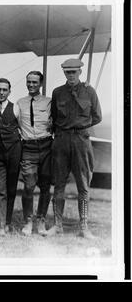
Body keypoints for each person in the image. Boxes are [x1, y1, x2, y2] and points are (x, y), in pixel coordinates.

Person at [47, 58, 102, 239]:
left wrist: (81, 125)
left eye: (74, 72)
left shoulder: (89, 91)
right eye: (67, 72)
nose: (71, 75)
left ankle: (84, 227)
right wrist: (65, 128)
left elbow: (97, 116)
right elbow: (54, 117)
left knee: (83, 185)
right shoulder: (58, 92)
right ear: (64, 73)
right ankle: (58, 226)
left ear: (80, 72)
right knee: (59, 184)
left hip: (81, 140)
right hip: (61, 140)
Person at [15, 71, 52, 236]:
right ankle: (28, 221)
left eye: (35, 82)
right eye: (29, 82)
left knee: (45, 187)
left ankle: (41, 220)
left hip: (46, 147)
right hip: (28, 148)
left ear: (41, 84)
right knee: (28, 186)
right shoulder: (20, 103)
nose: (31, 85)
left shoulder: (50, 102)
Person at [0, 78, 22, 236]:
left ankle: (8, 222)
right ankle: (0, 225)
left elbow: (23, 130)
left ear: (9, 91)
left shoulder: (16, 108)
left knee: (11, 189)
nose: (1, 92)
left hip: (14, 153)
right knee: (0, 189)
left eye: (4, 90)